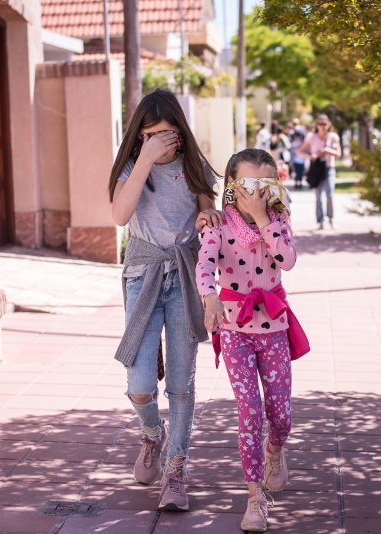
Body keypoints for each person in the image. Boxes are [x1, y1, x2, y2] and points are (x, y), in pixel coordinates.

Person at [108, 88, 223, 512]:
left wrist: (207, 214)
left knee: (180, 381)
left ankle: (176, 472)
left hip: (186, 276)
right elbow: (121, 216)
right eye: (152, 133)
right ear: (139, 135)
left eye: (169, 133)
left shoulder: (193, 166)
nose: (162, 141)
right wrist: (143, 159)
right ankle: (152, 435)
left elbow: (208, 210)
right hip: (143, 274)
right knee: (139, 383)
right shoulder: (130, 170)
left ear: (181, 133)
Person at [195, 149, 310, 532]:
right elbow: (205, 265)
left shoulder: (278, 220)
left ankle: (275, 451)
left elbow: (288, 260)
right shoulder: (217, 224)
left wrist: (263, 219)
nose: (255, 193)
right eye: (246, 185)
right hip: (234, 331)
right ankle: (255, 497)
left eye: (264, 185)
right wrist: (209, 296)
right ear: (231, 185)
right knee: (250, 412)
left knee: (282, 416)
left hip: (274, 328)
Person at [298, 114, 341, 230]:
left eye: (324, 124)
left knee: (330, 194)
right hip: (316, 170)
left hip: (328, 168)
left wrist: (327, 150)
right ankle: (320, 220)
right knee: (318, 197)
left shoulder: (333, 137)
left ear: (328, 125)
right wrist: (310, 156)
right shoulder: (311, 138)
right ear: (316, 125)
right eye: (320, 124)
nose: (322, 126)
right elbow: (299, 151)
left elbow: (338, 154)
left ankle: (331, 218)